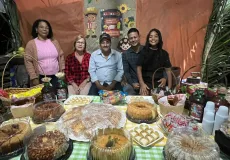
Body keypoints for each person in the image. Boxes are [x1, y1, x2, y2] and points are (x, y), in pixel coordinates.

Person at [24, 19, 65, 88]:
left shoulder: (54, 42)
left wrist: (62, 70)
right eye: (41, 27)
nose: (45, 29)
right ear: (36, 29)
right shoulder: (31, 44)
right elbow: (28, 61)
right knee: (44, 97)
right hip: (41, 77)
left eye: (47, 28)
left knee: (58, 96)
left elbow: (61, 56)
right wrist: (34, 77)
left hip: (56, 76)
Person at [137, 28, 172, 96]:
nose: (153, 38)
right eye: (150, 36)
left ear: (159, 38)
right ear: (148, 39)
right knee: (145, 102)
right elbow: (138, 68)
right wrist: (142, 84)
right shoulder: (143, 52)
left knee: (161, 101)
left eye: (156, 36)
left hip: (160, 83)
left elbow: (168, 71)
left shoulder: (164, 53)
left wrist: (169, 89)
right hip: (146, 83)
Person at [122, 28, 143, 95]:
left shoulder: (146, 51)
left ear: (139, 37)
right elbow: (126, 72)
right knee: (127, 89)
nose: (133, 40)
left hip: (146, 81)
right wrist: (132, 83)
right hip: (133, 82)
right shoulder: (125, 54)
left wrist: (143, 84)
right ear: (128, 40)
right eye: (131, 38)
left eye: (135, 37)